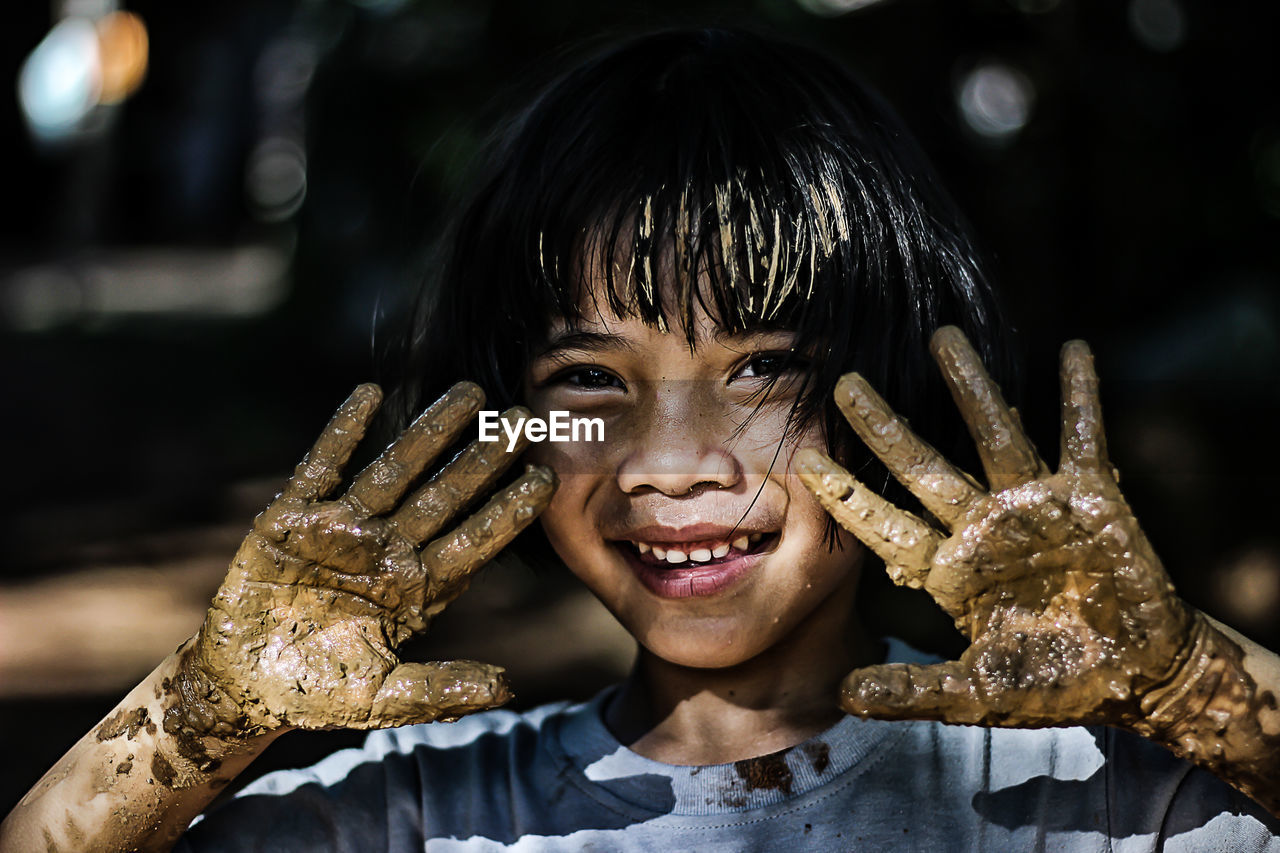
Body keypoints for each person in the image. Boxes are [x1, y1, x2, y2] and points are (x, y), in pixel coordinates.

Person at [4, 27, 1279, 852]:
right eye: (585, 381)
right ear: (510, 426)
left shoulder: (1101, 802)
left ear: (889, 387)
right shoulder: (416, 813)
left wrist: (1186, 683)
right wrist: (205, 706)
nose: (671, 461)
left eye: (763, 368)